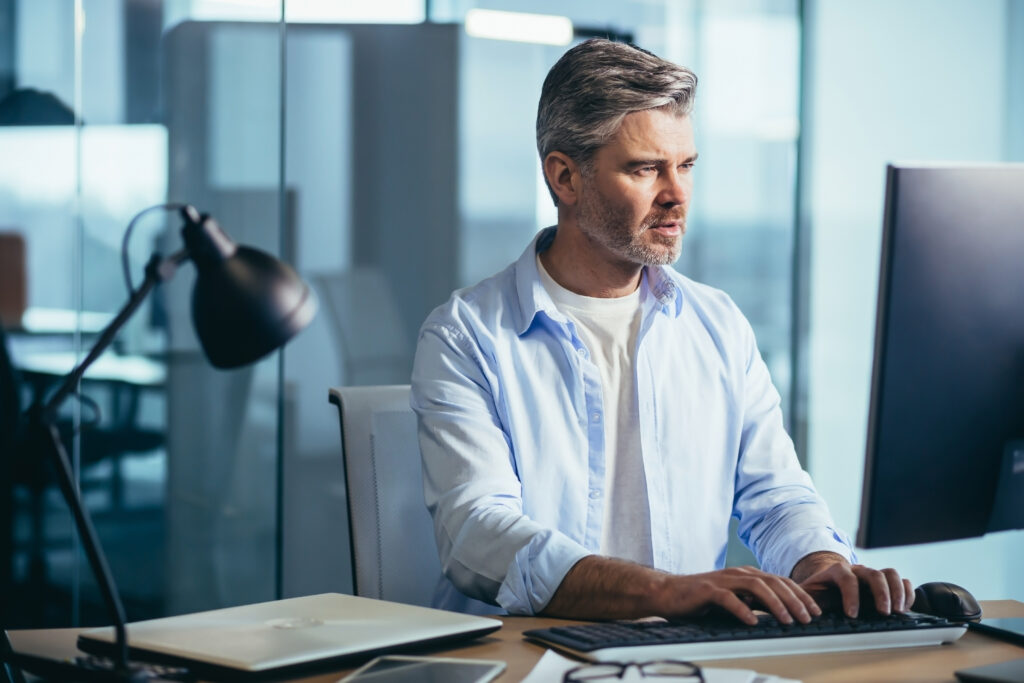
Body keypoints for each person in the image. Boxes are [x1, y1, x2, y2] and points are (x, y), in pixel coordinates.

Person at [410, 38, 912, 625]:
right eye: (646, 169)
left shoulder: (718, 324)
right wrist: (662, 592)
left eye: (687, 166)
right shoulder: (465, 336)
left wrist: (821, 564)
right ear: (565, 177)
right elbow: (479, 535)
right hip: (531, 655)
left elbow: (776, 498)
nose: (676, 195)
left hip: (686, 657)